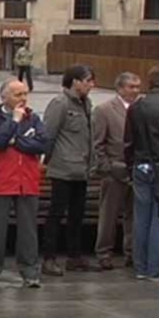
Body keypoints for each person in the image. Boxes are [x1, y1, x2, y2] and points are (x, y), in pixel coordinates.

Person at [0, 79, 48, 288]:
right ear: (4, 97)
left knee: (28, 231)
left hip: (27, 181)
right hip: (1, 181)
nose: (23, 99)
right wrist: (14, 123)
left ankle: (30, 272)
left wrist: (16, 141)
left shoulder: (34, 119)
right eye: (18, 95)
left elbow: (42, 143)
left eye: (25, 94)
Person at [41, 64, 96, 276]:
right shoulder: (60, 103)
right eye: (88, 80)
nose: (92, 85)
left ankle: (74, 256)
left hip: (81, 168)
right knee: (56, 213)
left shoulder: (86, 104)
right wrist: (45, 160)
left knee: (77, 214)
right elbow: (49, 134)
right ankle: (49, 258)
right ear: (75, 82)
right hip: (63, 168)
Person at [125, 65, 159, 280]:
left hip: (140, 165)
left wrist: (130, 165)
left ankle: (141, 266)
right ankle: (158, 267)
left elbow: (128, 141)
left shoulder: (136, 107)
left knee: (142, 217)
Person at [93, 72, 140, 270]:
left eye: (138, 87)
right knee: (109, 215)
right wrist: (107, 167)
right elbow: (97, 143)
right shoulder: (104, 110)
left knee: (134, 215)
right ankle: (104, 252)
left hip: (137, 170)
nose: (135, 91)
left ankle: (131, 252)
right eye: (131, 87)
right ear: (120, 88)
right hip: (114, 169)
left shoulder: (141, 108)